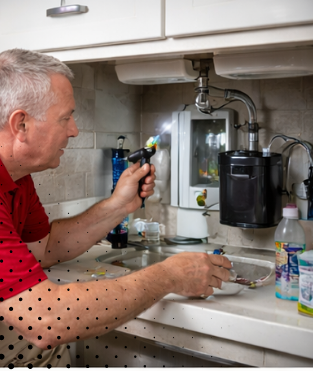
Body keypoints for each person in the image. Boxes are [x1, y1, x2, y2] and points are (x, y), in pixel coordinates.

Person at [0, 49, 233, 367]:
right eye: (65, 117)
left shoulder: (17, 178)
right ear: (21, 124)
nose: (74, 130)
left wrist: (118, 205)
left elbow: (45, 247)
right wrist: (169, 275)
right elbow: (45, 317)